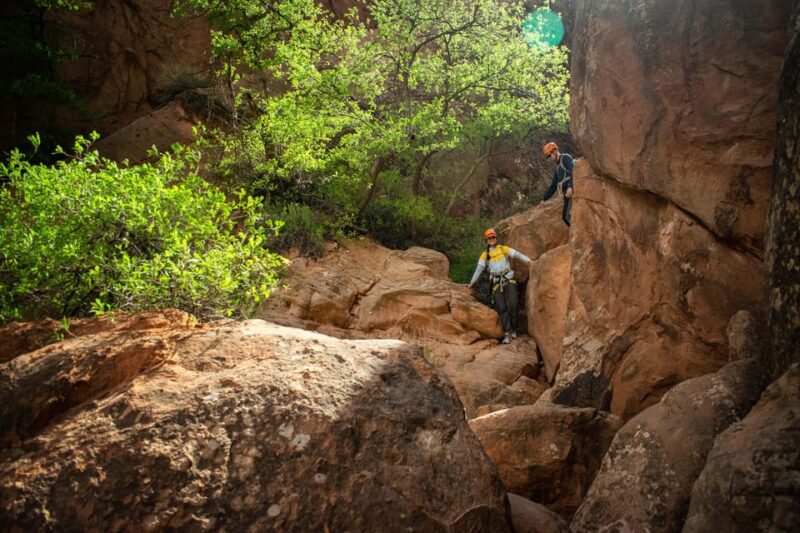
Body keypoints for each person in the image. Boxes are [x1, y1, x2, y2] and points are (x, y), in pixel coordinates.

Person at [467, 228, 531, 344]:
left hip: (508, 279)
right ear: (486, 240)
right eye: (489, 238)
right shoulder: (485, 255)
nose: (492, 239)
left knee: (513, 303)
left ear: (496, 238)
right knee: (501, 308)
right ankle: (508, 332)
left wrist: (529, 261)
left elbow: (517, 255)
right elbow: (479, 269)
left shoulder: (503, 249)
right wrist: (472, 282)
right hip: (496, 282)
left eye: (493, 237)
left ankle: (514, 328)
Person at [540, 142, 575, 227]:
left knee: (566, 217)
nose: (549, 158)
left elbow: (572, 171)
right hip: (566, 194)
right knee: (566, 217)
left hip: (570, 192)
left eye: (549, 155)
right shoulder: (558, 167)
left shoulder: (565, 158)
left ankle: (580, 235)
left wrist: (570, 187)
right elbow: (553, 186)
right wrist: (544, 199)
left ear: (555, 151)